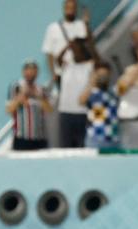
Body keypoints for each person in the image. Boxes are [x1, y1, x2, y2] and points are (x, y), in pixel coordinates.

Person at [42, 0, 98, 147]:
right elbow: (49, 53)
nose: (70, 10)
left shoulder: (81, 26)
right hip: (63, 74)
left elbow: (90, 45)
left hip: (81, 78)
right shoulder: (53, 28)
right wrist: (54, 72)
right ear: (63, 8)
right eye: (67, 7)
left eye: (73, 7)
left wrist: (86, 24)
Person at [6, 60, 52, 151]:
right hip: (22, 137)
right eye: (28, 70)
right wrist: (22, 96)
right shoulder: (15, 87)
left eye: (33, 70)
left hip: (40, 137)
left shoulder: (42, 89)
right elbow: (9, 109)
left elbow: (49, 109)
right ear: (23, 72)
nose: (30, 73)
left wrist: (36, 96)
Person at [80, 62, 121, 149]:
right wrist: (91, 82)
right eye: (100, 75)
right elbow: (81, 101)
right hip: (95, 139)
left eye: (105, 75)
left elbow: (126, 83)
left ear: (110, 75)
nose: (103, 77)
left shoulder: (114, 92)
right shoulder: (91, 92)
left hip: (113, 139)